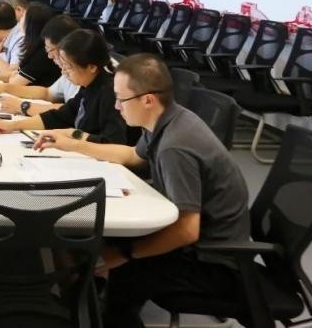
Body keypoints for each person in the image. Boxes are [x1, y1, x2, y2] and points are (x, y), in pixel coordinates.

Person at [34, 54, 249, 328]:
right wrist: (71, 144)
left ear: (148, 99)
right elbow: (131, 156)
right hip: (199, 244)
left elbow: (187, 230)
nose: (116, 106)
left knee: (124, 271)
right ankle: (88, 300)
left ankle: (96, 308)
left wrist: (124, 255)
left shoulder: (175, 147)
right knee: (93, 243)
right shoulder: (168, 119)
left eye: (121, 99)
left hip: (212, 262)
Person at [0, 29, 131, 145]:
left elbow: (113, 142)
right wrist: (13, 125)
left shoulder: (110, 92)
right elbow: (60, 116)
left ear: (92, 67)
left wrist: (73, 135)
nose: (64, 72)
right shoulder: (89, 86)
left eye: (68, 67)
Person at [0, 14, 82, 115]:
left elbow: (71, 111)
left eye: (50, 50)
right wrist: (4, 88)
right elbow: (47, 93)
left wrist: (22, 106)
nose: (49, 56)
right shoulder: (67, 70)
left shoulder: (82, 72)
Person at [0, 2, 57, 84]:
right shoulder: (33, 45)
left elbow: (13, 80)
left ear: (30, 25)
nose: (19, 20)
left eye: (23, 17)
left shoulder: (40, 52)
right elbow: (14, 74)